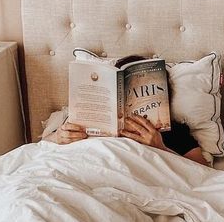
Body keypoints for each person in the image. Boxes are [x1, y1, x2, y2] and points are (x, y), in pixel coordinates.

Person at [43, 55, 209, 166]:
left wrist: (161, 149)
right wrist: (58, 136)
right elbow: (42, 146)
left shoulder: (173, 132)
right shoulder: (85, 121)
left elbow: (204, 172)